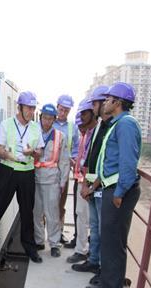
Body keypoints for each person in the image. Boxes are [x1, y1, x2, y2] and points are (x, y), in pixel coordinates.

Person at [87, 82, 142, 288]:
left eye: (108, 99)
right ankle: (109, 286)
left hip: (119, 192)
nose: (105, 102)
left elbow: (129, 163)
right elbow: (107, 160)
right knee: (110, 243)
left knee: (113, 245)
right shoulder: (117, 124)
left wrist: (119, 193)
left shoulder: (126, 124)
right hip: (111, 188)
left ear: (117, 103)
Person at [0, 91, 44, 263]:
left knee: (27, 210)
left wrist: (33, 152)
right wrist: (10, 156)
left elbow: (40, 152)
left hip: (27, 172)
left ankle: (30, 248)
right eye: (28, 108)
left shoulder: (36, 127)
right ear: (19, 107)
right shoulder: (6, 124)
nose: (31, 111)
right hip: (8, 171)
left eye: (33, 108)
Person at [72, 86, 110, 280]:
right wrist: (86, 184)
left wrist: (91, 185)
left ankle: (103, 270)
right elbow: (90, 159)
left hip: (103, 187)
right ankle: (94, 261)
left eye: (95, 104)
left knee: (103, 229)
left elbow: (108, 162)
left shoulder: (115, 127)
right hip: (91, 184)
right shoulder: (98, 128)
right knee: (95, 227)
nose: (94, 107)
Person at [33, 103, 69, 258]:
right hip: (34, 178)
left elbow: (64, 161)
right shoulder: (34, 133)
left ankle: (54, 243)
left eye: (50, 119)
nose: (46, 121)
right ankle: (39, 240)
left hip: (52, 179)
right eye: (44, 118)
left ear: (54, 120)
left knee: (52, 213)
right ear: (40, 118)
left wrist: (63, 182)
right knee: (36, 212)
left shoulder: (60, 136)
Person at [66, 99, 97, 264]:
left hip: (88, 183)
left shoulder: (93, 135)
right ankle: (83, 250)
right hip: (82, 180)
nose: (82, 119)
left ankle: (82, 251)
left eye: (85, 113)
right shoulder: (86, 135)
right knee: (82, 216)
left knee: (85, 217)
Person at [53, 94, 79, 245]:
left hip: (63, 171)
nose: (62, 113)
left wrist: (73, 159)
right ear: (57, 107)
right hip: (46, 170)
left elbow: (75, 148)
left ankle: (59, 233)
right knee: (44, 203)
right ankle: (45, 233)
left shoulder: (72, 128)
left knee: (60, 204)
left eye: (66, 111)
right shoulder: (47, 122)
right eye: (61, 109)